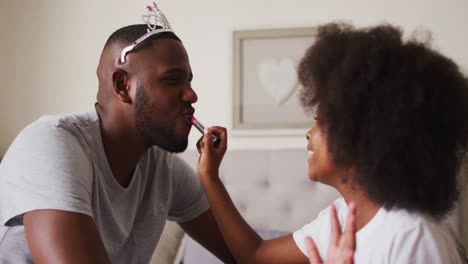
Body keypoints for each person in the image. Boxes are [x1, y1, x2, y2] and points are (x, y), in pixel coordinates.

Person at [196, 22, 468, 263]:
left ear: (363, 134)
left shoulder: (412, 236)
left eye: (320, 120)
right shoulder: (341, 218)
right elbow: (256, 256)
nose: (309, 134)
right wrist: (209, 177)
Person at [0, 3, 235, 264]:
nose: (192, 94)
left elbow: (247, 255)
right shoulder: (49, 144)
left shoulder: (163, 170)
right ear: (123, 85)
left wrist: (210, 179)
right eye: (172, 80)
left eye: (189, 81)